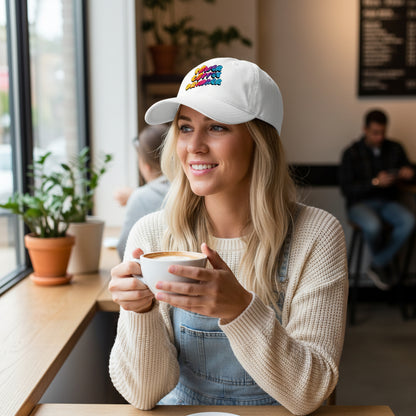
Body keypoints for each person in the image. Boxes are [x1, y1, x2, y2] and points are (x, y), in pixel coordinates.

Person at [108, 57, 348, 415]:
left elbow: (308, 393)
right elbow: (144, 395)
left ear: (259, 140)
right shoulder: (152, 233)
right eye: (185, 127)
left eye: (217, 127)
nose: (194, 146)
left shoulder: (317, 235)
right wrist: (139, 311)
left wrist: (239, 308)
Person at [339, 109, 415, 290]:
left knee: (409, 221)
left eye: (382, 132)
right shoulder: (351, 153)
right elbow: (347, 189)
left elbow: (410, 170)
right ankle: (382, 263)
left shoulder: (395, 148)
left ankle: (378, 263)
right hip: (359, 204)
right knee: (373, 225)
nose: (379, 137)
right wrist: (375, 183)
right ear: (365, 129)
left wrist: (408, 173)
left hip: (388, 202)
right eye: (375, 133)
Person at [116, 125, 170, 259]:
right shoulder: (191, 189)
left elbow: (123, 249)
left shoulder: (141, 197)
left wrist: (136, 196)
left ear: (146, 166)